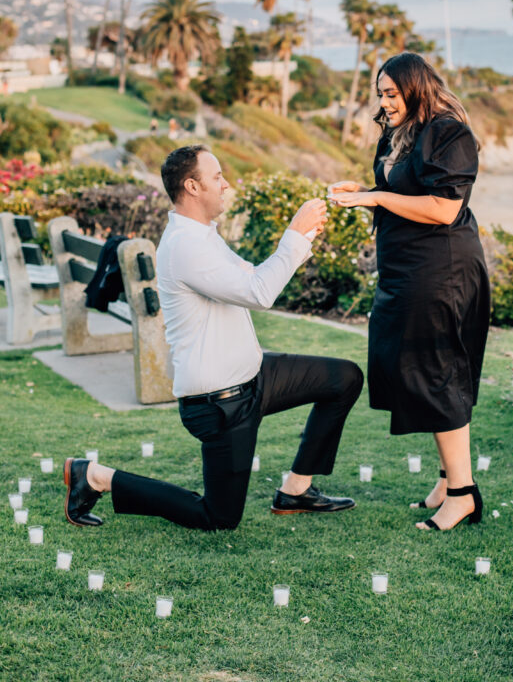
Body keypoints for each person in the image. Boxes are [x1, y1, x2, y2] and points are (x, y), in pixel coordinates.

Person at [63, 144, 363, 531]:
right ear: (192, 186)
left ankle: (296, 490)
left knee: (344, 379)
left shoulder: (202, 235)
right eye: (217, 176)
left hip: (254, 376)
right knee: (219, 517)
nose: (226, 184)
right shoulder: (186, 246)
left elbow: (250, 280)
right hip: (220, 403)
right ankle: (96, 477)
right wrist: (294, 234)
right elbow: (259, 294)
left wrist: (302, 237)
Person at [329, 53, 490, 533]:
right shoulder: (400, 133)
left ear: (416, 88)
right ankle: (447, 480)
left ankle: (463, 496)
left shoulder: (447, 133)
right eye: (380, 93)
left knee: (437, 374)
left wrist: (374, 198)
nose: (384, 102)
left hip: (441, 271)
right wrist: (363, 190)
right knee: (417, 370)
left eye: (391, 93)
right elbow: (404, 190)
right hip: (406, 271)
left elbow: (443, 209)